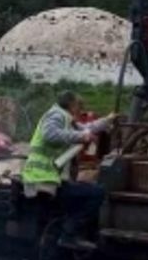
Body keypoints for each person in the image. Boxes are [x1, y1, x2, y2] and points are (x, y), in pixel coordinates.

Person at [22, 91, 117, 251]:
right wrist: (81, 137)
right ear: (72, 104)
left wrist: (107, 120)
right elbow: (50, 135)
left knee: (89, 192)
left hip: (48, 179)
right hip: (42, 180)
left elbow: (86, 128)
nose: (80, 109)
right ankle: (69, 234)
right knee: (96, 193)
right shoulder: (57, 115)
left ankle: (65, 233)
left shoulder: (65, 118)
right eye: (79, 105)